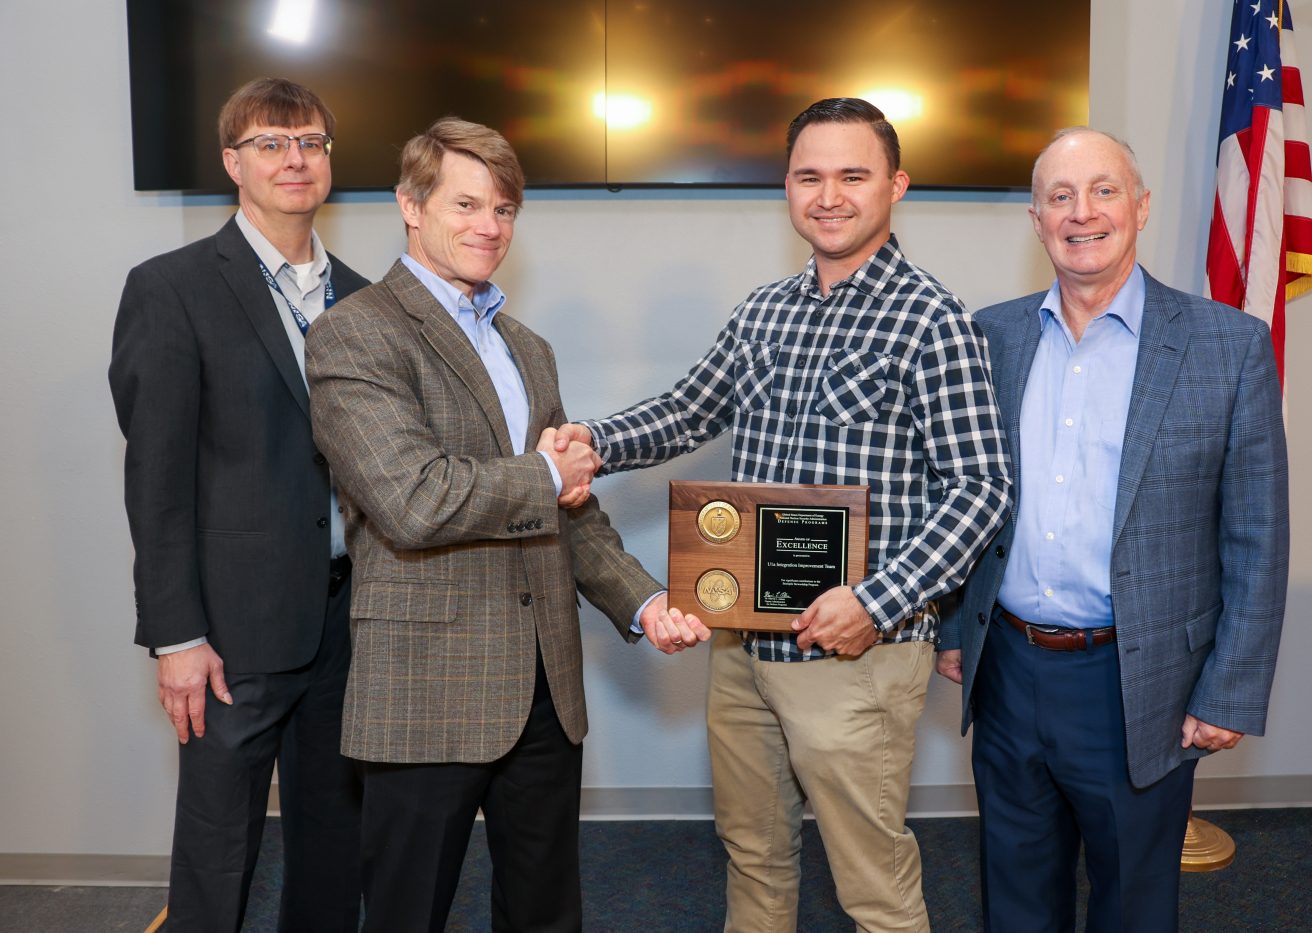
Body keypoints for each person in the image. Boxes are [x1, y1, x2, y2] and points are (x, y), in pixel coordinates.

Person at [555, 98, 1012, 932]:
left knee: (872, 882)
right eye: (809, 175)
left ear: (896, 185)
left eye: (852, 174)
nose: (828, 195)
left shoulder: (931, 321)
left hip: (857, 655)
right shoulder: (766, 310)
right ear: (788, 187)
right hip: (743, 644)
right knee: (754, 855)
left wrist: (875, 600)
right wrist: (591, 441)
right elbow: (688, 411)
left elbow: (981, 487)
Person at [303, 117, 702, 933]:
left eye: (506, 209)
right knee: (407, 913)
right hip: (427, 686)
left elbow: (569, 513)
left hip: (545, 690)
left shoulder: (529, 348)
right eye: (467, 203)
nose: (490, 225)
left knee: (545, 912)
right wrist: (554, 470)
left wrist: (643, 600)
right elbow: (412, 499)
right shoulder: (355, 331)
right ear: (410, 206)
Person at [936, 127, 1289, 932]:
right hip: (1009, 671)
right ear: (1036, 219)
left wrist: (1229, 686)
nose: (1081, 212)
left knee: (1133, 900)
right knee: (1015, 894)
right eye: (1059, 196)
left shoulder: (1227, 345)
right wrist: (955, 625)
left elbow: (1257, 535)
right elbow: (958, 494)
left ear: (1140, 206)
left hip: (1142, 680)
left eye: (1102, 190)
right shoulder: (991, 337)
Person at [109, 78, 367, 931]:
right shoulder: (171, 288)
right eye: (271, 143)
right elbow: (157, 482)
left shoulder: (367, 298)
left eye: (312, 143)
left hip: (349, 620)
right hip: (230, 633)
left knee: (335, 841)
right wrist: (177, 636)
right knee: (218, 853)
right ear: (233, 162)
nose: (296, 159)